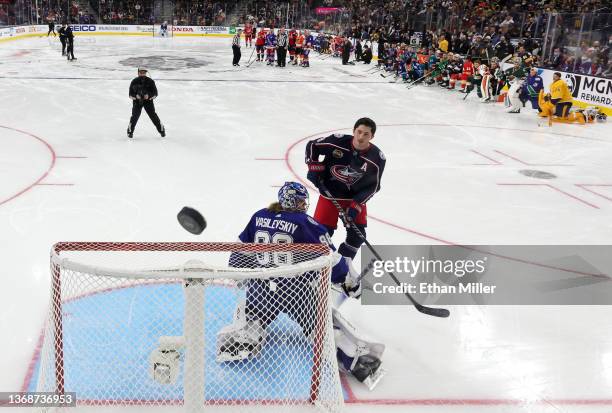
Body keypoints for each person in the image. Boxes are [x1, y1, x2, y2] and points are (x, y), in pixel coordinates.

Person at [216, 182, 385, 388]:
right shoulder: (305, 222)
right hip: (297, 291)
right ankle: (357, 361)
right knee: (323, 326)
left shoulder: (259, 216)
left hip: (261, 288)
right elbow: (329, 258)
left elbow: (240, 253)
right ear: (291, 201)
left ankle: (242, 337)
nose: (303, 204)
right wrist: (348, 281)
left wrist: (243, 275)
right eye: (300, 200)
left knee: (251, 317)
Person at [305, 118, 385, 260]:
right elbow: (312, 145)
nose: (361, 137)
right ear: (353, 131)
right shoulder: (336, 142)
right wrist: (313, 166)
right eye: (359, 132)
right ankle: (318, 270)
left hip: (354, 199)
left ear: (372, 136)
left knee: (357, 237)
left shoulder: (377, 158)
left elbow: (373, 187)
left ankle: (342, 268)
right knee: (321, 236)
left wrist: (356, 205)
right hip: (329, 195)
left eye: (366, 134)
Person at [127, 68, 165, 139]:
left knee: (153, 116)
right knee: (135, 116)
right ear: (138, 73)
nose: (142, 74)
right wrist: (136, 96)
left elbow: (155, 93)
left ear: (146, 73)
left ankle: (162, 131)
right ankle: (130, 132)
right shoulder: (134, 81)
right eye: (141, 72)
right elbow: (130, 94)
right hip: (137, 102)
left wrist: (149, 96)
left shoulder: (150, 81)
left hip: (148, 101)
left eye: (144, 72)